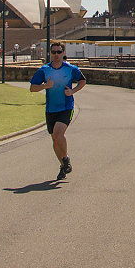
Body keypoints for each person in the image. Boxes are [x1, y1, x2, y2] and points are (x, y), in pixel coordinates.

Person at [29, 43, 86, 181]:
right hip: (51, 109)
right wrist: (44, 86)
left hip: (66, 107)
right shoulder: (44, 70)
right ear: (50, 53)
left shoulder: (70, 69)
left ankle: (65, 158)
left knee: (58, 134)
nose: (56, 54)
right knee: (54, 139)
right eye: (53, 52)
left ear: (63, 53)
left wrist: (72, 91)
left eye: (58, 52)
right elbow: (32, 88)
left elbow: (82, 81)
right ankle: (63, 166)